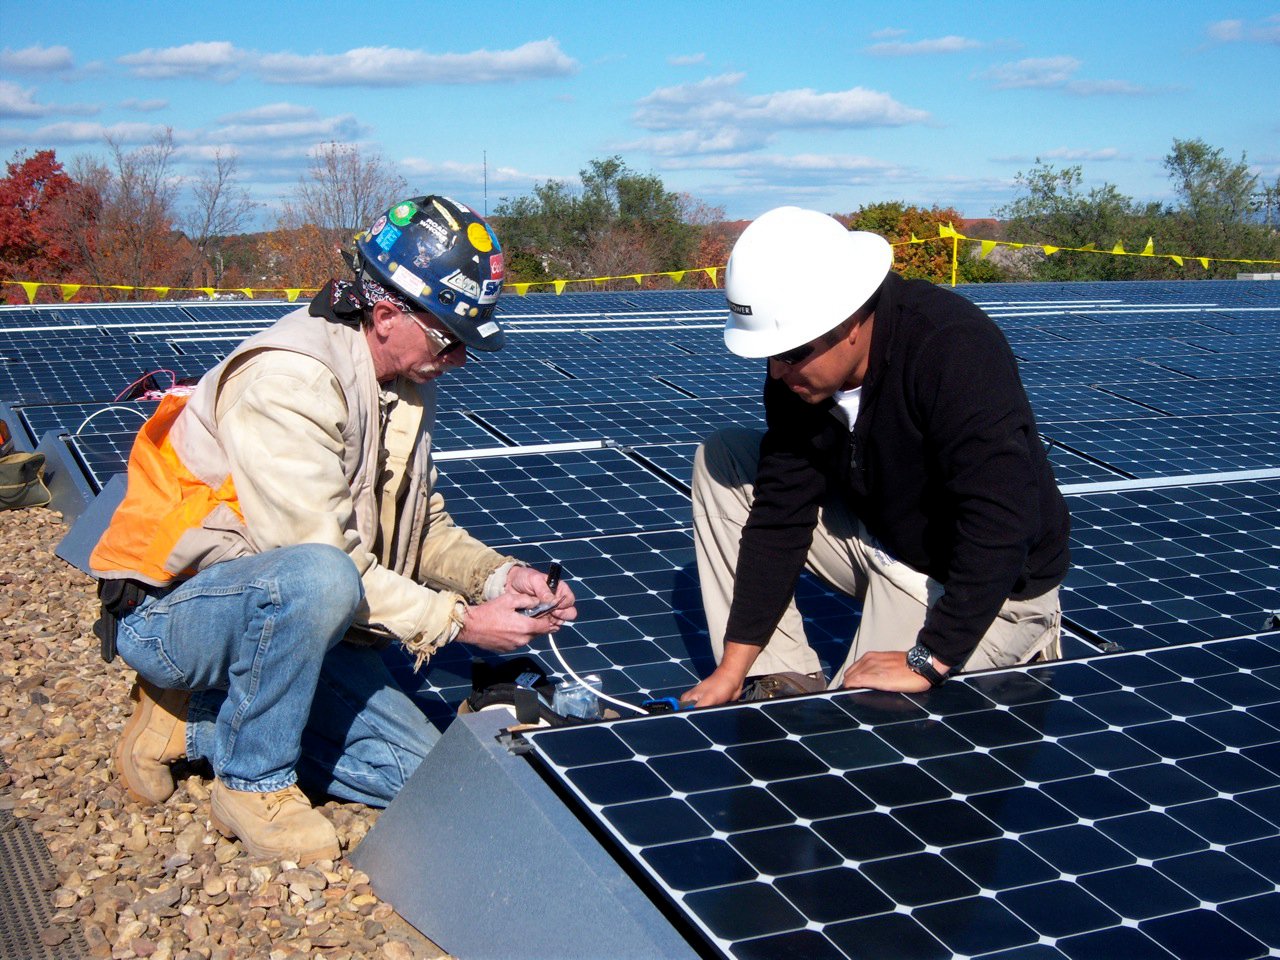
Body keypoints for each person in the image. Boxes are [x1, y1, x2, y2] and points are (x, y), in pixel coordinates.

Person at [90, 195, 575, 864]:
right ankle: (250, 779)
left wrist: (498, 575)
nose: (459, 358)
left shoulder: (402, 375)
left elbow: (420, 525)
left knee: (425, 775)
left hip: (290, 611)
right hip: (174, 610)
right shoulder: (290, 379)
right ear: (384, 314)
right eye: (450, 338)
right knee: (318, 575)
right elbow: (320, 561)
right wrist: (464, 623)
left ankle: (198, 721)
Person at [680, 206, 1069, 707]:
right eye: (768, 355)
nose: (777, 372)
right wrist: (734, 667)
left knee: (860, 723)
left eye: (792, 353)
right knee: (724, 458)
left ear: (850, 321)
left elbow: (1001, 520)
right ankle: (779, 679)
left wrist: (931, 657)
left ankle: (1003, 650)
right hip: (886, 542)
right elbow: (781, 514)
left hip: (984, 590)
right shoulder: (797, 377)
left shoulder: (952, 348)